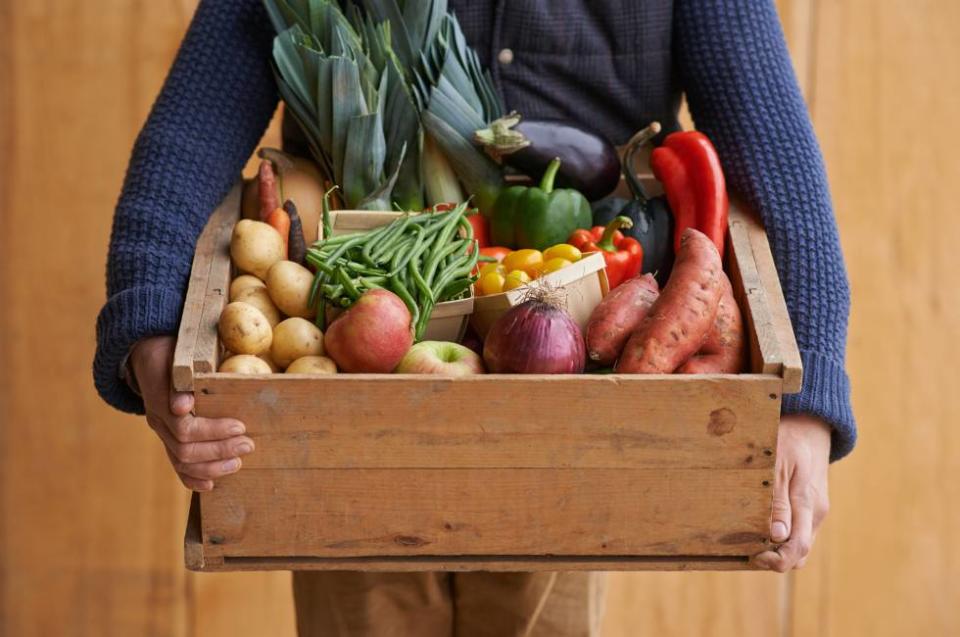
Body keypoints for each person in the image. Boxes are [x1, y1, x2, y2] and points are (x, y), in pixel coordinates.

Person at [94, 1, 856, 635]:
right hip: (346, 374)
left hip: (578, 390)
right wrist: (153, 333)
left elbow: (777, 159)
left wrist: (809, 397)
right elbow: (187, 135)